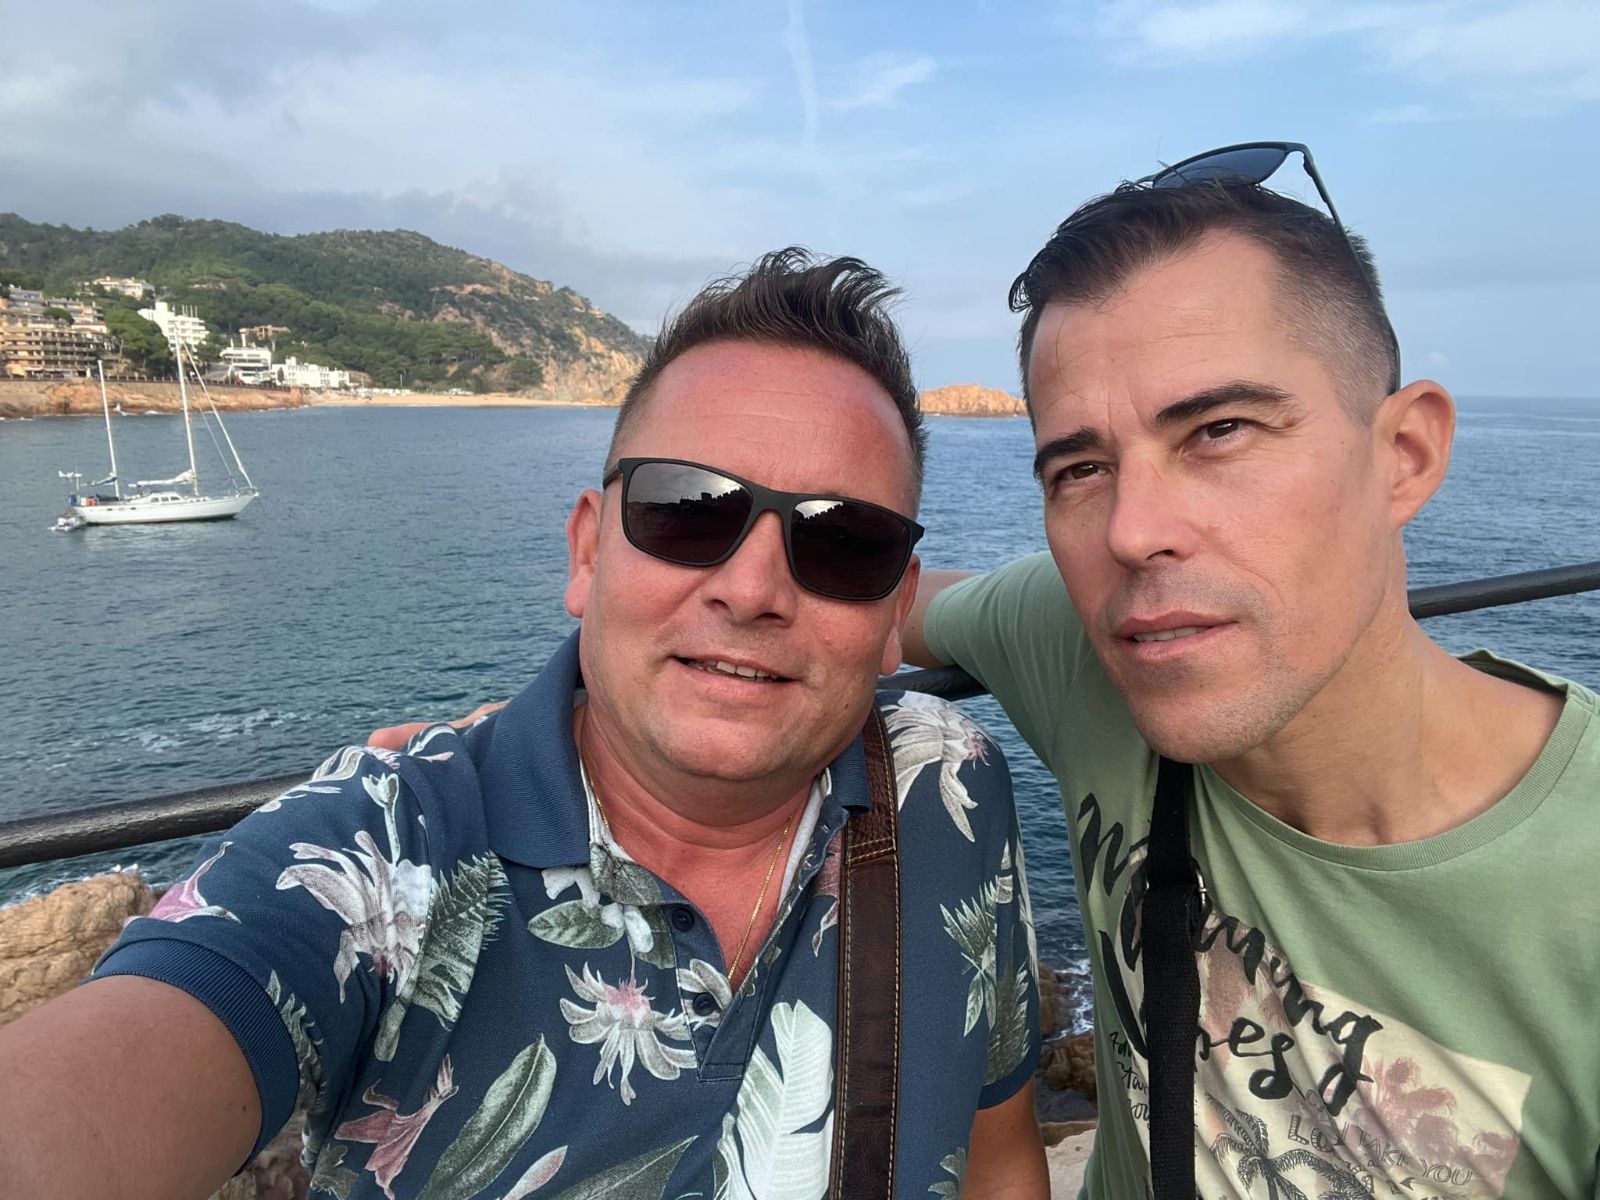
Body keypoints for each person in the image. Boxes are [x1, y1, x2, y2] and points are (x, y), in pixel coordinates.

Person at [0, 250, 1048, 1200]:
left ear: (893, 612)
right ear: (587, 553)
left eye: (844, 542)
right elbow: (134, 1057)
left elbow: (997, 1157)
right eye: (688, 510)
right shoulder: (378, 853)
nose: (753, 587)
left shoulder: (947, 783)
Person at [901, 146, 1600, 1197]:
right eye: (1080, 468)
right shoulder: (1093, 643)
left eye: (1219, 430)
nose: (1131, 531)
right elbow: (873, 609)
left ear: (1404, 455)